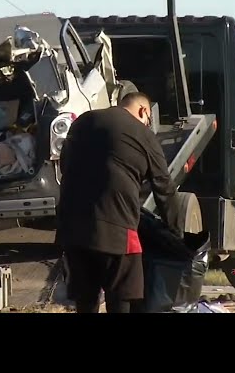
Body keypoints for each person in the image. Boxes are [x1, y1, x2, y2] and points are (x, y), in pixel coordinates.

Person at [56, 91, 177, 313]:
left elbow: (65, 166)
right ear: (143, 112)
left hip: (71, 228)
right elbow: (164, 188)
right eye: (148, 120)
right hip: (117, 228)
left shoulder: (82, 121)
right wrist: (177, 235)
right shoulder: (142, 133)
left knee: (86, 300)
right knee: (122, 296)